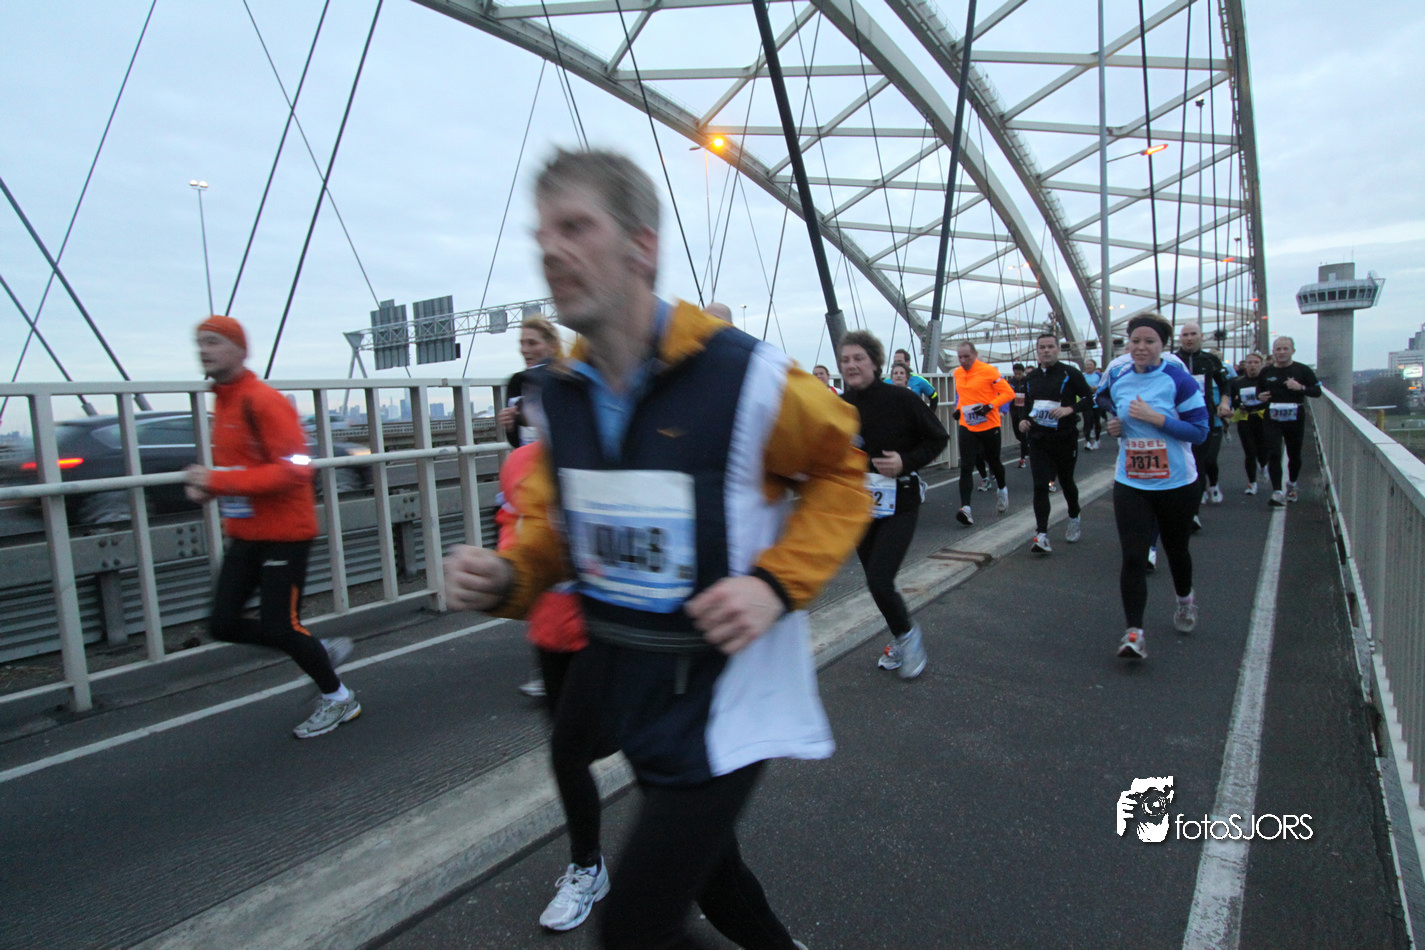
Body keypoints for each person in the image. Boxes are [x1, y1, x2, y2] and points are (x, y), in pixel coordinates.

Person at [443, 148, 867, 950]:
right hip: (632, 688)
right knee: (713, 879)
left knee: (633, 929)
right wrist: (503, 576)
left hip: (724, 700)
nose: (550, 251)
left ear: (640, 246)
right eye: (542, 234)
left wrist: (773, 584)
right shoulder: (563, 396)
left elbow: (843, 473)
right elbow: (557, 538)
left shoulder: (744, 376)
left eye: (575, 227)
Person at [182, 315, 358, 739]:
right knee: (222, 623)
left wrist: (217, 481)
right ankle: (315, 649)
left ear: (241, 350)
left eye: (214, 342)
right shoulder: (223, 402)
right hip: (245, 533)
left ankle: (339, 698)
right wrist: (209, 488)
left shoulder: (262, 400)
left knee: (280, 625)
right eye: (200, 342)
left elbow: (296, 469)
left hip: (285, 534)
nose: (204, 350)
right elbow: (240, 470)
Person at [496, 442, 610, 933]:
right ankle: (594, 864)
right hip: (549, 629)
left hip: (610, 632)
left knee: (568, 752)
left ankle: (587, 866)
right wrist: (507, 571)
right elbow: (511, 524)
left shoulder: (613, 446)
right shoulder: (520, 461)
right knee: (574, 752)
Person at [1098, 313, 1209, 660]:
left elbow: (1200, 431)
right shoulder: (1120, 380)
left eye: (1149, 342)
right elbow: (1110, 408)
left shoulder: (1179, 380)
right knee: (1133, 555)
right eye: (1135, 341)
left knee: (1176, 550)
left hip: (1176, 483)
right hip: (1131, 481)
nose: (1141, 347)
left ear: (1163, 346)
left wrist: (1157, 418)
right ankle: (1134, 633)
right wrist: (1114, 426)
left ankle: (1185, 600)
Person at [839, 330, 949, 678]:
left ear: (875, 362)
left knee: (880, 579)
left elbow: (938, 438)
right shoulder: (839, 405)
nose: (851, 364)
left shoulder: (902, 399)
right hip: (861, 504)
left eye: (858, 358)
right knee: (875, 581)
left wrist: (905, 461)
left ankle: (907, 637)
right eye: (845, 359)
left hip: (900, 500)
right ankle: (901, 636)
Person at [498, 316, 565, 698]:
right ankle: (550, 655)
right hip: (526, 487)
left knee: (556, 575)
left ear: (551, 344)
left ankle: (559, 658)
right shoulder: (518, 383)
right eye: (522, 343)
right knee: (539, 574)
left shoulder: (564, 377)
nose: (526, 349)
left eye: (533, 342)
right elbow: (518, 441)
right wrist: (510, 424)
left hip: (558, 486)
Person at [1017, 334, 1095, 554]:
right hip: (1039, 438)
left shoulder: (1070, 373)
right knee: (1040, 485)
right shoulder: (1031, 378)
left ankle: (1074, 516)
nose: (1046, 351)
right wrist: (1023, 420)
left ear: (1058, 350)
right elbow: (1026, 404)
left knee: (1066, 481)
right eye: (1042, 347)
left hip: (1064, 437)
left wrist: (1070, 409)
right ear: (1037, 351)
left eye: (1050, 347)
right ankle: (1041, 535)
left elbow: (1089, 399)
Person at [1174, 322, 1233, 526]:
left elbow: (1226, 383)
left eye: (1193, 334)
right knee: (1177, 464)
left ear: (1201, 337)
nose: (1189, 338)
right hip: (1176, 419)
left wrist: (1224, 402)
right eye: (1185, 335)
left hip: (1202, 418)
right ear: (1180, 338)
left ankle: (1193, 513)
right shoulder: (1172, 360)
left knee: (1198, 464)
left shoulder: (1210, 360)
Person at [952, 341, 1015, 525]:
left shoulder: (989, 371)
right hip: (967, 425)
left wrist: (990, 406)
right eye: (960, 357)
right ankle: (966, 509)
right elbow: (963, 396)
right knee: (966, 466)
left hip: (989, 424)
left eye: (967, 357)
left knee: (994, 461)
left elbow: (1008, 393)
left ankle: (1002, 490)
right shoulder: (957, 373)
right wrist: (958, 410)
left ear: (975, 354)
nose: (963, 360)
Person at [1258, 336, 1322, 506]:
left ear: (1293, 351)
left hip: (1295, 417)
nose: (1281, 352)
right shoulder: (1266, 372)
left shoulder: (1302, 370)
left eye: (1285, 349)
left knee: (1294, 455)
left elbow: (1317, 391)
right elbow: (1259, 392)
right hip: (1272, 416)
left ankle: (1292, 484)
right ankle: (1277, 491)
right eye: (1278, 349)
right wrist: (1260, 397)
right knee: (1274, 452)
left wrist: (1301, 387)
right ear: (1273, 351)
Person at [1230, 351, 1271, 495]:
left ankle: (1263, 465)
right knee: (1249, 451)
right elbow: (1233, 400)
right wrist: (1236, 404)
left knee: (1263, 450)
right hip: (1245, 419)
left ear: (1262, 364)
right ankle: (1252, 483)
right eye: (1250, 363)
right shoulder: (1238, 382)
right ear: (1246, 365)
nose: (1253, 365)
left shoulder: (1266, 382)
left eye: (1256, 363)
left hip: (1263, 418)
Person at [889, 347, 940, 412]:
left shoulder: (919, 380)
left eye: (899, 362)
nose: (897, 364)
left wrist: (929, 414)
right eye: (895, 362)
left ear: (908, 362)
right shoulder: (887, 381)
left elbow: (934, 397)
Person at [1007, 363, 1030, 469]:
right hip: (1015, 411)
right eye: (1015, 374)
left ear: (1023, 372)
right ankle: (1028, 447)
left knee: (1023, 434)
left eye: (1019, 374)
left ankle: (1022, 457)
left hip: (1025, 412)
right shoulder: (1011, 382)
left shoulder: (1027, 381)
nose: (1017, 376)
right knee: (1017, 434)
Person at [1081, 357, 1103, 449]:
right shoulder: (1082, 376)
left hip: (1096, 401)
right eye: (1087, 365)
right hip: (1085, 401)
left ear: (1094, 366)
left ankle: (1097, 439)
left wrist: (1095, 388)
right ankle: (1088, 441)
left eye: (1090, 365)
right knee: (1087, 421)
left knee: (1096, 421)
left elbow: (1103, 387)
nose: (1088, 366)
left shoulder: (1099, 375)